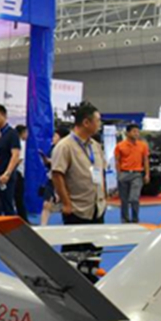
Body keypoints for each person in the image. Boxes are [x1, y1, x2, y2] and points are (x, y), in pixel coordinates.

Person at [52, 102, 107, 250]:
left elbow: (101, 171)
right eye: (97, 120)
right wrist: (66, 203)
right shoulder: (65, 146)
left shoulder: (95, 145)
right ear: (86, 122)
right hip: (77, 208)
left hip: (97, 207)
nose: (100, 124)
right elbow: (57, 175)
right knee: (75, 252)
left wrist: (104, 197)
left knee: (95, 250)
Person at [0, 105, 21, 216]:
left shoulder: (12, 133)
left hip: (5, 177)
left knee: (7, 206)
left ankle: (11, 227)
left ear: (4, 116)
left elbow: (15, 155)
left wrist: (7, 174)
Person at [115, 124, 150, 223]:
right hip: (124, 173)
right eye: (134, 131)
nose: (136, 134)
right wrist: (118, 174)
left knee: (134, 198)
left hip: (137, 174)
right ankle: (125, 219)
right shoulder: (120, 146)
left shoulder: (143, 145)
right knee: (124, 200)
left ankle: (135, 218)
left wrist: (147, 174)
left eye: (138, 132)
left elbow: (145, 160)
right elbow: (117, 161)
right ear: (127, 133)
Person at [39, 126, 70, 225]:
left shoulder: (66, 149)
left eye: (55, 136)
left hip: (64, 181)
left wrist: (50, 161)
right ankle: (43, 226)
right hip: (51, 180)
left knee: (67, 206)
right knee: (46, 204)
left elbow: (63, 165)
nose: (53, 138)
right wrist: (45, 160)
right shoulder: (52, 148)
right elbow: (49, 164)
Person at [14, 125, 29, 221]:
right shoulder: (21, 144)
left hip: (17, 172)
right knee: (19, 197)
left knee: (17, 197)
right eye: (26, 132)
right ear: (23, 133)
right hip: (18, 172)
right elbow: (19, 159)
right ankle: (23, 219)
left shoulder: (16, 143)